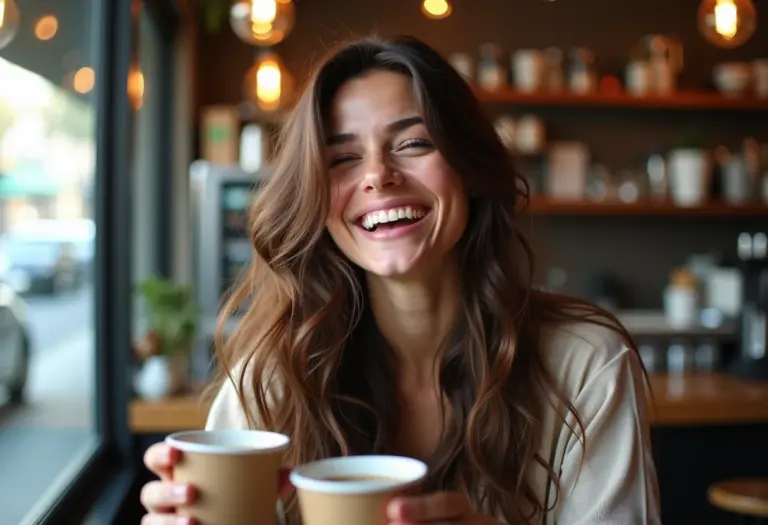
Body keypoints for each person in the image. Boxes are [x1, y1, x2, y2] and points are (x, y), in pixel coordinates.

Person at [140, 35, 661, 525]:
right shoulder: (273, 377)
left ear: (470, 168)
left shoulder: (587, 364)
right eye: (342, 158)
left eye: (412, 144)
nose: (377, 175)